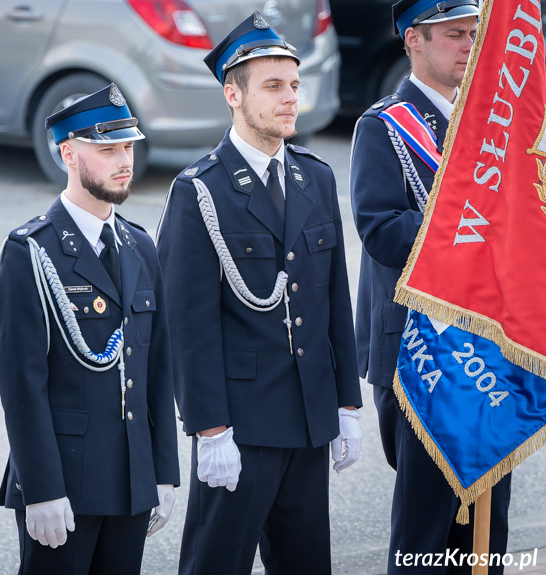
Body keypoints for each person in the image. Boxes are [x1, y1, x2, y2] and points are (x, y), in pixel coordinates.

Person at [156, 12, 362, 575]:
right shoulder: (200, 191)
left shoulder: (315, 177)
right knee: (215, 564)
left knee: (305, 564)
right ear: (233, 94)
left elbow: (333, 300)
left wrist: (345, 403)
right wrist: (210, 428)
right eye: (273, 86)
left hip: (308, 415)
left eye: (294, 85)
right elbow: (187, 324)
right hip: (240, 427)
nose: (290, 98)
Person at [0, 83, 180, 575]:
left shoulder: (140, 245)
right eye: (107, 149)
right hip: (65, 482)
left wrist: (162, 470)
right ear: (68, 154)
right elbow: (21, 386)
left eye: (127, 147)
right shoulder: (30, 251)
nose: (124, 161)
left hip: (132, 479)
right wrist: (42, 488)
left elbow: (158, 366)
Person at [349, 1, 512, 573]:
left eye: (474, 33)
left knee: (488, 530)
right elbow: (382, 232)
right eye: (454, 35)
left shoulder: (494, 130)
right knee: (425, 529)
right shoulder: (384, 125)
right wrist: (474, 216)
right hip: (422, 355)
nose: (469, 45)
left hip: (492, 347)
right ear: (413, 40)